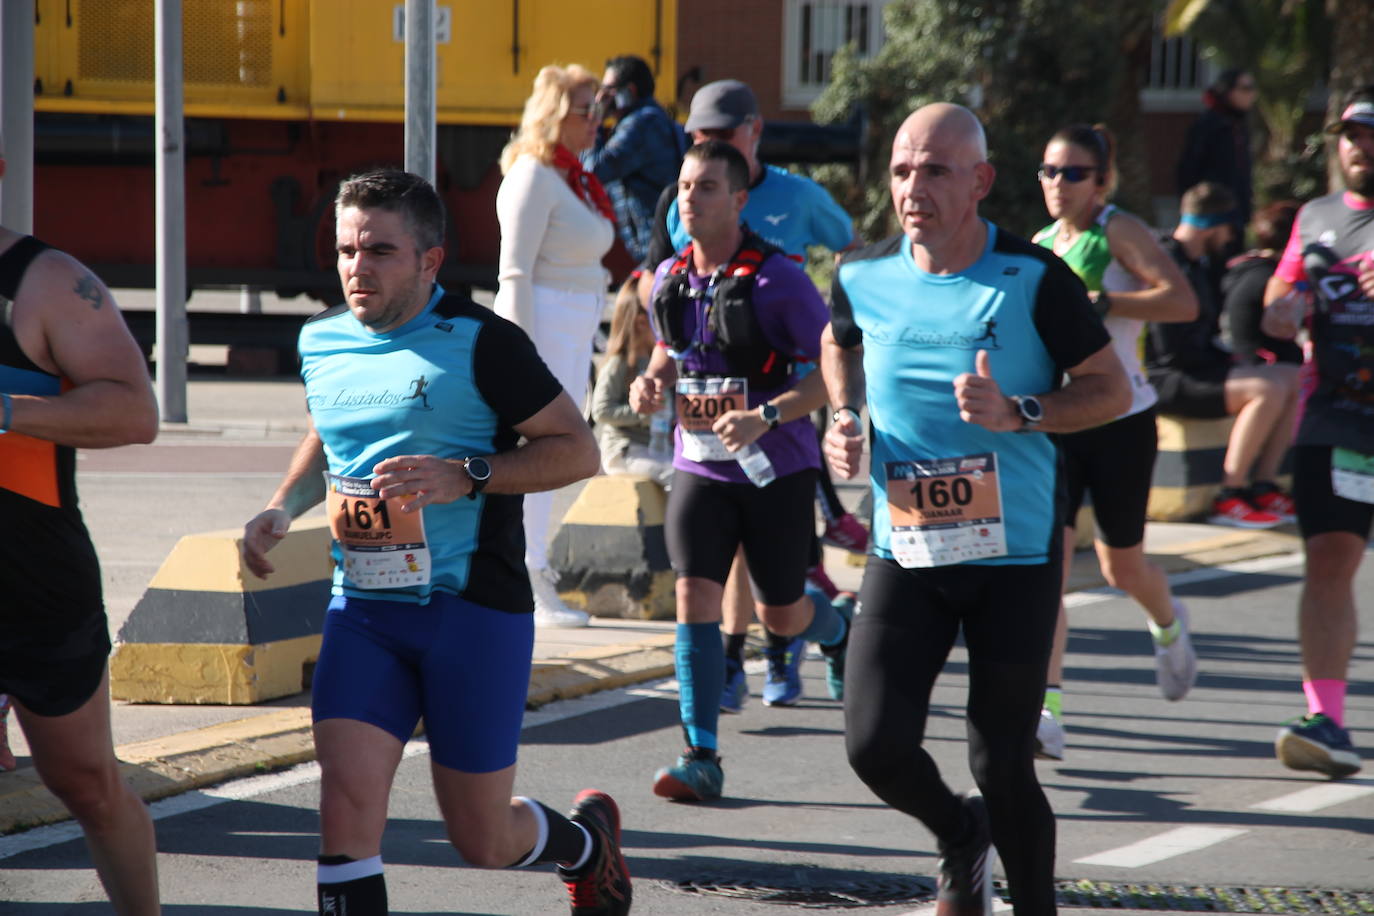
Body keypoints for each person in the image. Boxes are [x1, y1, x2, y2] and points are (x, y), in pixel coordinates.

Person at [242, 169, 630, 915]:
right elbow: (329, 431)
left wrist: (469, 474)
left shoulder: (483, 342)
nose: (358, 266)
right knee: (346, 814)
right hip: (362, 612)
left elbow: (576, 449)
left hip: (471, 610)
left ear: (429, 261)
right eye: (347, 249)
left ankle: (586, 847)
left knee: (481, 839)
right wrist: (280, 507)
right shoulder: (321, 340)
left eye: (380, 250)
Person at [822, 103, 1129, 915]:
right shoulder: (861, 272)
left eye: (934, 170)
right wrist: (842, 416)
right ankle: (962, 835)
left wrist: (1021, 413)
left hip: (1015, 558)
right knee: (873, 746)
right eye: (900, 170)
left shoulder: (1033, 279)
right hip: (908, 552)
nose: (911, 187)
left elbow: (1111, 390)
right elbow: (839, 339)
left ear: (981, 181)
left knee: (1002, 762)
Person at [628, 141, 851, 802]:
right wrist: (650, 381)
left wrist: (767, 415)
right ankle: (701, 752)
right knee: (693, 594)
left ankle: (837, 630)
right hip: (699, 467)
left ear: (739, 201)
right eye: (684, 187)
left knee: (779, 614)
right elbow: (675, 346)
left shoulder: (779, 280)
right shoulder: (669, 276)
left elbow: (829, 377)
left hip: (774, 468)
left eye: (705, 188)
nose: (688, 199)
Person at [0, 140, 162, 913]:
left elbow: (136, 412)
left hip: (31, 578)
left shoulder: (48, 283)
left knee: (88, 785)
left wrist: (7, 411)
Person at [1029, 123, 1201, 761]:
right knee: (1048, 568)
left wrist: (1109, 303)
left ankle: (1167, 624)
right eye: (1048, 171)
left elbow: (1182, 303)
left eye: (1074, 173)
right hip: (1061, 421)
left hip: (1124, 419)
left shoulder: (1117, 230)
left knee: (1119, 567)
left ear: (1101, 180)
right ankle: (1047, 713)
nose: (1058, 184)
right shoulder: (1042, 244)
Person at [1260, 85, 1374, 780]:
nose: (1361, 148)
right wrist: (1293, 301)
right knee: (1330, 558)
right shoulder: (1316, 217)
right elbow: (1274, 308)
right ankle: (1326, 718)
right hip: (1332, 416)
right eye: (1352, 135)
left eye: (1371, 136)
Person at [494, 63, 617, 628]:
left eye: (598, 109)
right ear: (554, 113)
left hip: (571, 328)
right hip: (542, 327)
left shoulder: (569, 176)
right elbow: (513, 273)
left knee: (557, 452)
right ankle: (529, 575)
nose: (597, 120)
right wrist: (516, 359)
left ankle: (534, 569)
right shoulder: (532, 176)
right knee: (544, 452)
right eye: (585, 109)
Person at [1147, 181, 1300, 528]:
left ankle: (1263, 485)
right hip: (1165, 379)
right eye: (1229, 228)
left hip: (1194, 369)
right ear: (1215, 224)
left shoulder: (1198, 263)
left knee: (1292, 376)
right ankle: (1229, 495)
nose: (1230, 237)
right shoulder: (1166, 261)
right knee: (1266, 388)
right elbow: (1173, 349)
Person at [582, 55, 688, 263]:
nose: (602, 97)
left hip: (656, 243)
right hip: (657, 241)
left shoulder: (642, 124)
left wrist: (596, 119)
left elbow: (592, 171)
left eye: (608, 90)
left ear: (629, 91)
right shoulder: (648, 119)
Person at [591, 274, 673, 487]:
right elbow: (600, 410)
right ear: (641, 323)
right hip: (624, 450)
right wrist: (642, 414)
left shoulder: (666, 363)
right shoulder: (620, 363)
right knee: (675, 478)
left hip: (657, 447)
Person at [1177, 68, 1258, 241]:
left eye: (1252, 88)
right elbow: (1188, 169)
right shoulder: (1210, 124)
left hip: (1236, 213)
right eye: (1245, 88)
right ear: (1228, 91)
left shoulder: (1237, 124)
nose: (1251, 94)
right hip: (1211, 217)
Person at [1223, 200, 1304, 368]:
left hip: (1240, 363)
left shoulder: (1244, 269)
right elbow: (1284, 330)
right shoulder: (1273, 279)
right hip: (1267, 368)